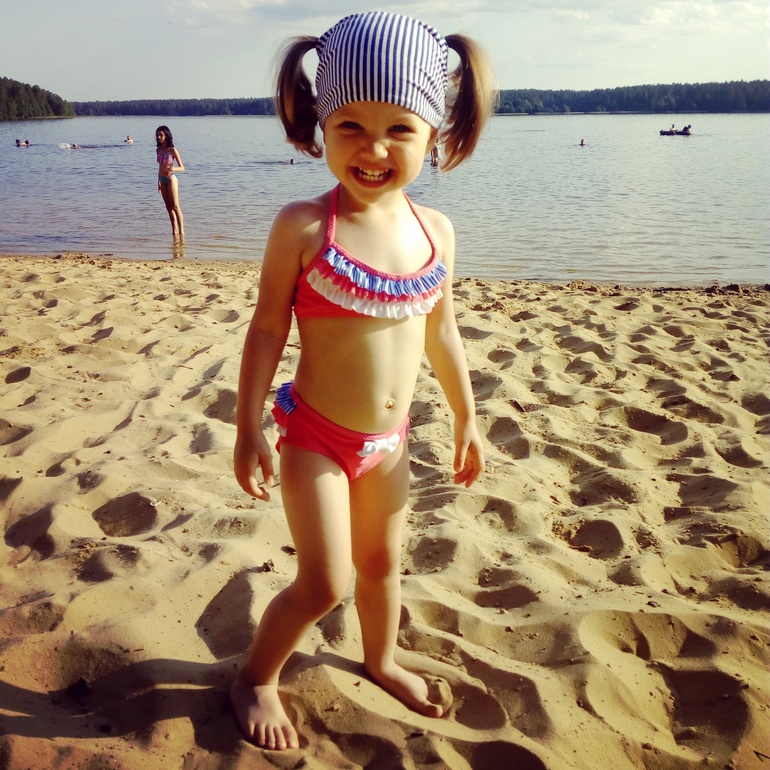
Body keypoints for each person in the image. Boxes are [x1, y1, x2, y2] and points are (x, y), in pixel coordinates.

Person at [230, 11, 494, 751]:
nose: (374, 149)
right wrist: (247, 426)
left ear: (434, 134)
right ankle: (254, 678)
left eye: (399, 129)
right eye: (350, 126)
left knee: (381, 565)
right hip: (315, 436)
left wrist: (468, 416)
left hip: (391, 442)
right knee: (325, 583)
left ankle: (380, 659)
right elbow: (266, 330)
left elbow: (442, 332)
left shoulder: (435, 230)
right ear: (320, 125)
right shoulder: (305, 226)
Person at [155, 125, 185, 239]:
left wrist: (173, 168)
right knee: (168, 207)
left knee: (175, 206)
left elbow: (182, 167)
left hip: (171, 178)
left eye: (161, 135)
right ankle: (174, 232)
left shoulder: (172, 150)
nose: (159, 137)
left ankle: (182, 233)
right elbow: (160, 167)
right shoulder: (158, 150)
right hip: (162, 179)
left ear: (166, 136)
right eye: (157, 135)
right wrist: (158, 180)